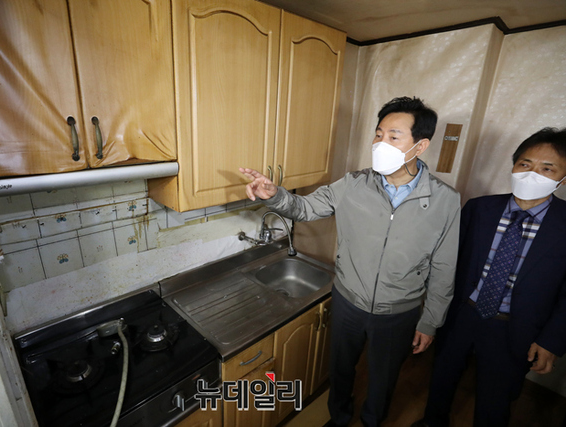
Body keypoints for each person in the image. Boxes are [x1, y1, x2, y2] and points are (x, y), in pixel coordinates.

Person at [240, 96, 461, 427]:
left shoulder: (445, 200)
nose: (380, 144)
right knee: (341, 370)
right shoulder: (353, 184)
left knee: (384, 379)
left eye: (394, 136)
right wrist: (275, 195)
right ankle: (339, 418)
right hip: (348, 302)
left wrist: (430, 321)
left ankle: (372, 422)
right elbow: (305, 208)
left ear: (421, 145)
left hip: (398, 312)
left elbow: (444, 266)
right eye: (378, 134)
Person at [413, 127, 566, 427]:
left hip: (514, 327)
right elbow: (451, 262)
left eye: (547, 169)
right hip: (463, 313)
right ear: (513, 166)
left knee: (495, 400)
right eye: (525, 164)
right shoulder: (480, 208)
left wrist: (551, 341)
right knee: (442, 376)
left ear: (562, 179)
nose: (531, 174)